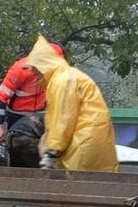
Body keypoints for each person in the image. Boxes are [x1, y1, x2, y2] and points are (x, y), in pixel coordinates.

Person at [25, 35, 118, 173]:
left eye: (34, 68)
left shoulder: (62, 81)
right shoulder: (67, 76)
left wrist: (52, 151)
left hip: (82, 145)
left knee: (73, 188)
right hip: (93, 143)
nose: (33, 72)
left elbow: (63, 119)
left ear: (43, 65)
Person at [0, 42, 65, 143]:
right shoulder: (20, 70)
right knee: (17, 145)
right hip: (17, 116)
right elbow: (1, 97)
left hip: (39, 114)